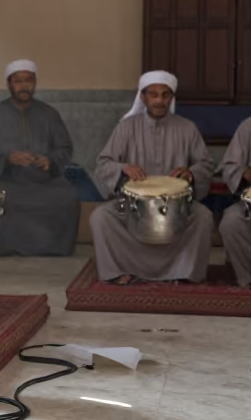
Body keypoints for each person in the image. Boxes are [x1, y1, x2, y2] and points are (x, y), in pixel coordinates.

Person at [90, 71, 213, 284]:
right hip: (133, 205)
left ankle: (184, 271)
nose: (159, 100)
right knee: (100, 218)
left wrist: (191, 173)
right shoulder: (126, 127)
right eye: (153, 94)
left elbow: (206, 164)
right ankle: (120, 269)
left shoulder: (187, 128)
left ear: (171, 98)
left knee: (203, 217)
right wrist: (123, 168)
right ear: (143, 97)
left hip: (178, 205)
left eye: (165, 95)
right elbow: (103, 162)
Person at [0, 60, 81, 257]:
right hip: (9, 181)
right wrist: (7, 158)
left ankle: (54, 249)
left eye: (28, 80)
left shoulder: (49, 114)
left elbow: (65, 148)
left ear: (35, 83)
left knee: (68, 196)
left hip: (45, 182)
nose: (24, 86)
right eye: (18, 81)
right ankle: (6, 248)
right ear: (9, 84)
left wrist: (51, 160)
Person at [219, 115, 251, 287]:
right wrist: (245, 173)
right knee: (231, 221)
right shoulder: (248, 126)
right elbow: (231, 165)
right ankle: (248, 278)